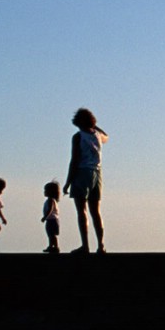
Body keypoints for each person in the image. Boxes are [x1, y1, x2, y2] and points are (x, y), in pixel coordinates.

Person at [65, 107, 108, 254]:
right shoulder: (98, 135)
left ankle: (85, 245)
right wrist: (94, 125)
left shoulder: (78, 137)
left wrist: (68, 182)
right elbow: (107, 137)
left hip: (82, 172)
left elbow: (74, 160)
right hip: (97, 173)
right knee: (96, 211)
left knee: (81, 211)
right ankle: (101, 245)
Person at [42, 180, 62, 254]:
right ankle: (51, 246)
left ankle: (55, 247)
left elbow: (50, 209)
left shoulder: (51, 200)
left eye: (45, 190)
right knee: (50, 234)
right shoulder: (51, 200)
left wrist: (45, 217)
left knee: (51, 234)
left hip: (51, 220)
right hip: (52, 220)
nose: (44, 192)